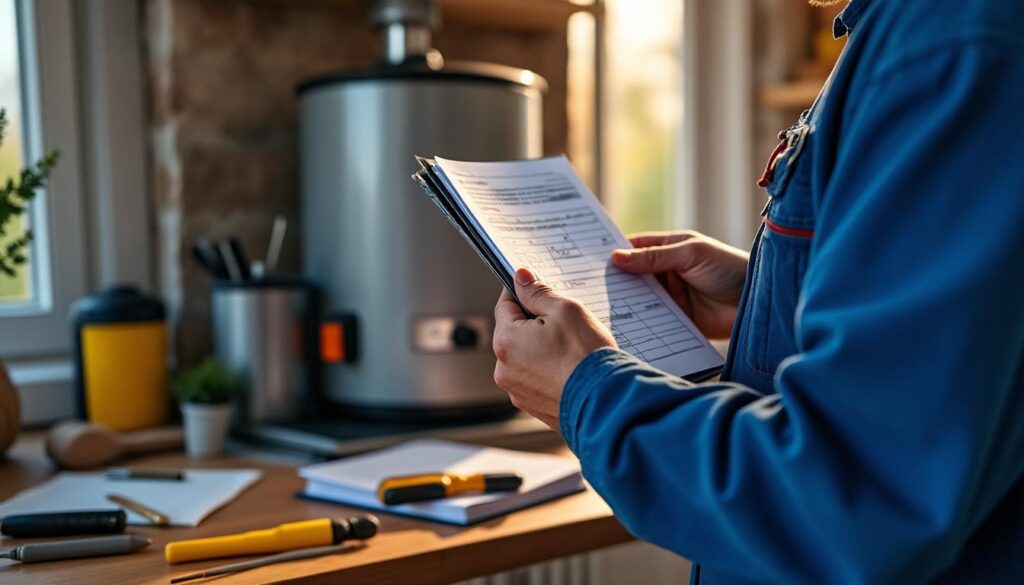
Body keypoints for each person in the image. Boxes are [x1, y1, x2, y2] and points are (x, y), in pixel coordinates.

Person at [491, 1, 1024, 583]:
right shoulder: (913, 33)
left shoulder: (952, 42)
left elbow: (858, 501)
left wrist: (586, 393)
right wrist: (763, 294)